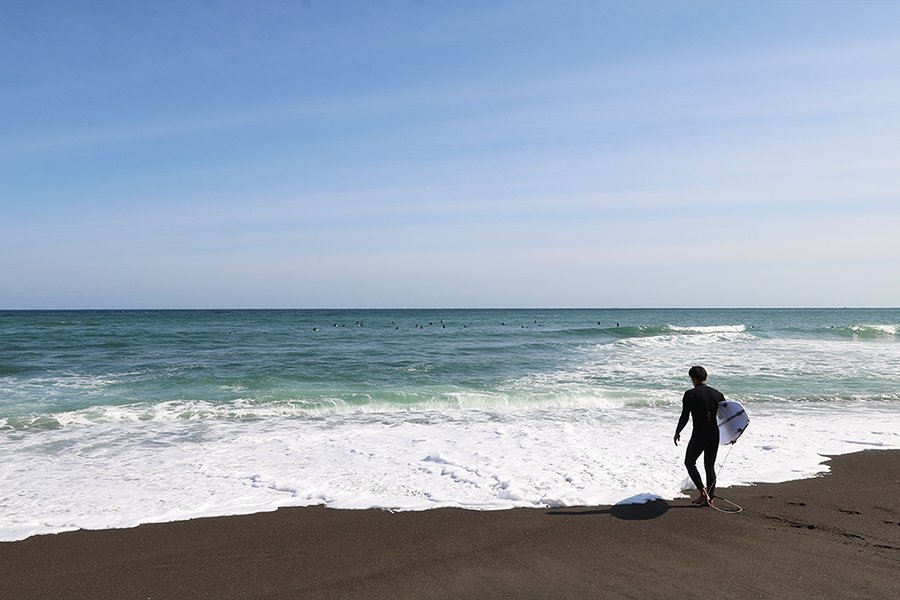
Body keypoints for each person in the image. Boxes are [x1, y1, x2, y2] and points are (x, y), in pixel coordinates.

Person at [674, 366, 724, 506]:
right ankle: (711, 498)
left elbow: (685, 416)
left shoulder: (690, 394)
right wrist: (734, 434)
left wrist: (678, 431)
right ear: (705, 378)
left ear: (693, 378)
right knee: (710, 466)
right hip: (715, 433)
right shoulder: (717, 394)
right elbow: (726, 416)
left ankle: (703, 493)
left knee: (689, 462)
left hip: (700, 434)